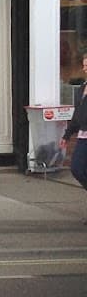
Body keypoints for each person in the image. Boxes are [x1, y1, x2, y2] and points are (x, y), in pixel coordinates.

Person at [63, 53, 87, 210]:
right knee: (77, 168)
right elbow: (77, 114)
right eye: (84, 65)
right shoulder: (82, 88)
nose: (85, 69)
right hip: (83, 135)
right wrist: (67, 134)